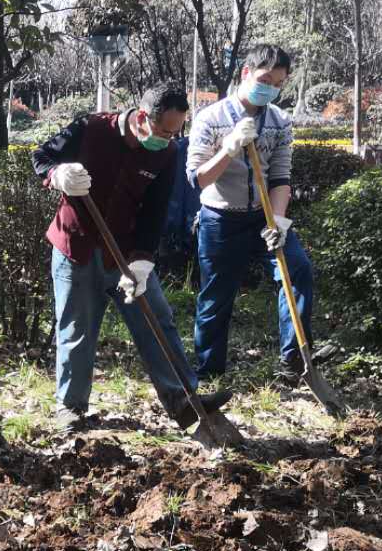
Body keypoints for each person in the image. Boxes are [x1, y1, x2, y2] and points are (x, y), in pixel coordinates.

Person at [33, 82, 233, 432]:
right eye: (162, 130)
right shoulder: (90, 129)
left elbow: (154, 212)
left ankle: (184, 400)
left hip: (125, 253)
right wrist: (58, 175)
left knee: (157, 319)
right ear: (142, 117)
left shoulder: (166, 154)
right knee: (76, 328)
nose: (168, 138)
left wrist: (142, 262)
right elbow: (41, 157)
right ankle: (71, 408)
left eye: (175, 132)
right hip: (75, 248)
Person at [186, 43, 315, 383]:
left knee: (297, 271)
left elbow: (281, 177)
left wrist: (280, 222)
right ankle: (209, 371)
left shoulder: (280, 122)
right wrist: (229, 148)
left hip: (264, 216)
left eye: (278, 83)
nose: (270, 88)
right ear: (246, 73)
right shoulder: (209, 119)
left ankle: (294, 363)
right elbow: (198, 179)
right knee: (217, 295)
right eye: (264, 79)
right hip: (220, 219)